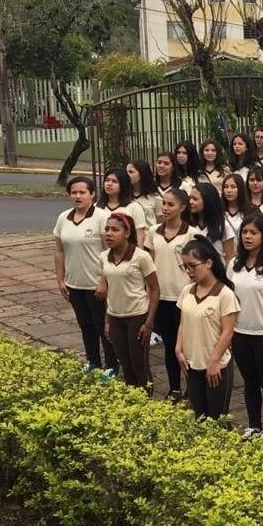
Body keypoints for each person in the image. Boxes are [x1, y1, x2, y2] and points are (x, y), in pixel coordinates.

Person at [229, 213, 263, 442]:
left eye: (253, 232)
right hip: (241, 333)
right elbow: (230, 297)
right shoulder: (234, 264)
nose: (248, 237)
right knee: (249, 382)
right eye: (244, 232)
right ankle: (253, 424)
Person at [54, 176, 117, 373]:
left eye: (82, 192)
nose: (78, 196)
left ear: (92, 194)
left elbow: (110, 252)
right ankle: (93, 362)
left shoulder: (101, 217)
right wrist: (60, 279)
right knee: (85, 325)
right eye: (74, 192)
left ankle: (112, 365)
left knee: (102, 326)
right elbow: (59, 250)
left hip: (96, 284)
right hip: (74, 283)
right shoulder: (63, 217)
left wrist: (103, 281)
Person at [176, 235, 241, 419]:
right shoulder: (187, 291)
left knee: (217, 419)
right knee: (200, 416)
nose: (189, 271)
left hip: (216, 367)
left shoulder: (225, 294)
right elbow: (184, 322)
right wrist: (178, 348)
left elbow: (228, 332)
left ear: (209, 263)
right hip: (192, 364)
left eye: (193, 266)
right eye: (185, 267)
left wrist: (214, 361)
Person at [144, 187, 197, 403]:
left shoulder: (192, 234)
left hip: (183, 299)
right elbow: (149, 265)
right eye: (163, 204)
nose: (165, 208)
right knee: (169, 345)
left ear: (183, 207)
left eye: (171, 204)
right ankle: (174, 387)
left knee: (188, 346)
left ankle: (193, 388)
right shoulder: (153, 232)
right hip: (161, 297)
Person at [98, 212, 159, 389]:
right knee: (125, 365)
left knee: (139, 365)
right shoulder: (103, 257)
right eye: (107, 229)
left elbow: (154, 289)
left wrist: (149, 322)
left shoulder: (141, 257)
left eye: (115, 230)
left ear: (126, 233)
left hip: (137, 315)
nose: (109, 233)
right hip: (115, 316)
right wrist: (107, 321)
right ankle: (131, 401)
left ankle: (146, 402)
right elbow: (109, 289)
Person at [97, 167, 147, 247]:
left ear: (123, 184)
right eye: (107, 180)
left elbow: (139, 236)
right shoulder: (96, 207)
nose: (109, 184)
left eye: (114, 181)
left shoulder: (134, 207)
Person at [188, 182, 236, 263]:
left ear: (207, 201)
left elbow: (230, 258)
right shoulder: (189, 224)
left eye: (195, 199)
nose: (190, 202)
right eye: (190, 198)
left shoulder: (223, 226)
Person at [127, 160, 162, 228]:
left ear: (142, 173)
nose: (127, 175)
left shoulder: (156, 197)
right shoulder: (124, 196)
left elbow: (161, 223)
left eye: (131, 172)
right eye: (126, 172)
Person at [221, 173, 251, 239]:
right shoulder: (218, 211)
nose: (229, 190)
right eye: (226, 187)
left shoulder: (251, 210)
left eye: (233, 187)